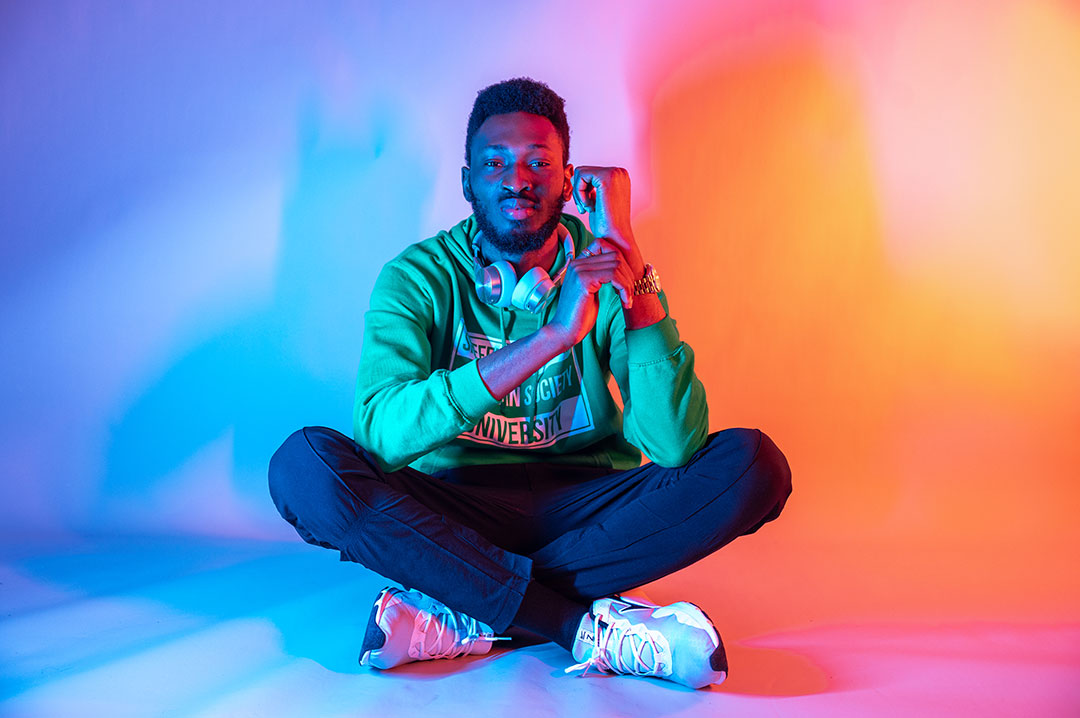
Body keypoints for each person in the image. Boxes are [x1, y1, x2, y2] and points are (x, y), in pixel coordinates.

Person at [268, 77, 792, 690]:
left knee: (755, 465)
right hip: (457, 507)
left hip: (586, 507)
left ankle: (465, 603)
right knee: (304, 468)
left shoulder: (607, 272)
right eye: (495, 163)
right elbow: (380, 436)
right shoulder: (416, 277)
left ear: (568, 182)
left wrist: (633, 270)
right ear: (467, 183)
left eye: (538, 163)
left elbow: (674, 446)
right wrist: (550, 338)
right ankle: (578, 625)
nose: (517, 179)